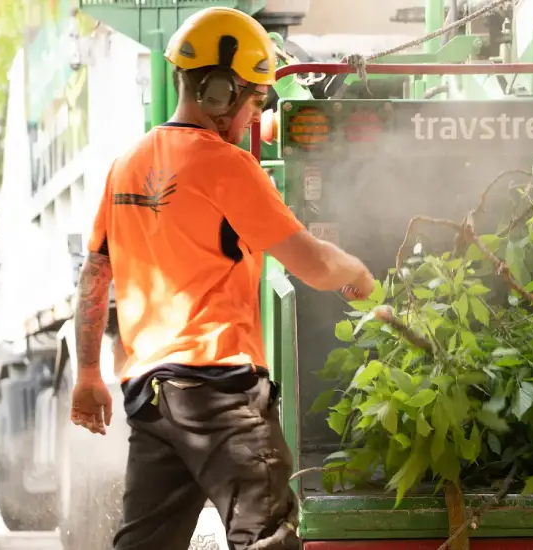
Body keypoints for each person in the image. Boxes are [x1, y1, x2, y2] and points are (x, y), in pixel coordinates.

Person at [67, 7, 374, 550]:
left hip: (152, 399)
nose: (256, 115)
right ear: (217, 90)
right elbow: (312, 264)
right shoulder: (226, 165)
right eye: (255, 99)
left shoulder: (126, 165)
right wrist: (357, 272)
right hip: (218, 393)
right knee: (267, 537)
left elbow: (96, 272)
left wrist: (88, 372)